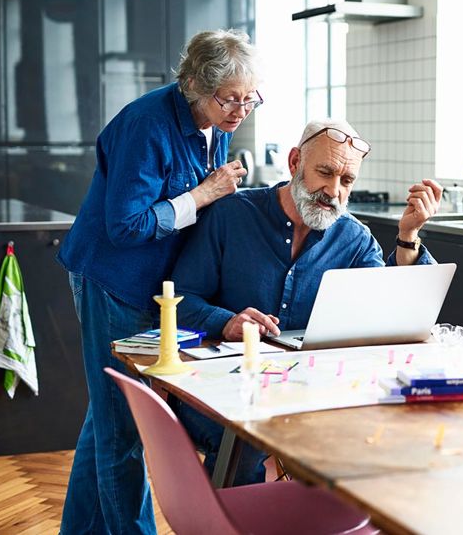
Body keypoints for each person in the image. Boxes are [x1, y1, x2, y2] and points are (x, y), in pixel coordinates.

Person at [57, 28, 263, 535]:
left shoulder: (219, 120)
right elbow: (124, 226)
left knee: (107, 421)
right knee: (123, 428)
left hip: (156, 287)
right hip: (114, 279)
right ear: (194, 86)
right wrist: (204, 193)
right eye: (228, 99)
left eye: (249, 98)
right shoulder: (147, 125)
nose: (240, 111)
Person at [170, 118, 442, 484]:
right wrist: (226, 321)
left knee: (377, 433)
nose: (333, 191)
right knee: (246, 440)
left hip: (312, 391)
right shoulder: (231, 215)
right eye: (325, 172)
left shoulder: (353, 239)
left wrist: (408, 234)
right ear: (295, 161)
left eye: (347, 181)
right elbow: (180, 299)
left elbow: (392, 308)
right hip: (223, 389)